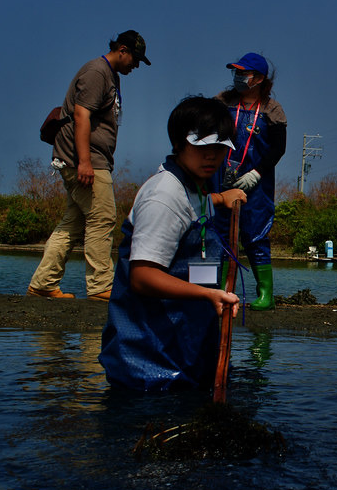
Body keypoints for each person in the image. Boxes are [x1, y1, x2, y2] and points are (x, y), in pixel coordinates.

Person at [98, 96, 247, 392]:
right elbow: (143, 277)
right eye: (202, 147)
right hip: (148, 359)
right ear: (179, 143)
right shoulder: (163, 197)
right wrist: (209, 296)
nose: (211, 157)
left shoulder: (196, 189)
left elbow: (197, 209)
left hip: (181, 349)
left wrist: (222, 198)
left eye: (219, 148)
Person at [28, 30, 150, 300]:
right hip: (86, 160)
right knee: (102, 218)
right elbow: (81, 115)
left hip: (90, 158)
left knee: (73, 222)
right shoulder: (97, 72)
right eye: (135, 59)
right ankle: (100, 286)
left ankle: (43, 284)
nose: (136, 65)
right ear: (122, 49)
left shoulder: (110, 75)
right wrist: (84, 162)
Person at [212, 52, 288, 310]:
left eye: (243, 73)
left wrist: (256, 173)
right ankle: (219, 290)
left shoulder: (272, 109)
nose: (238, 77)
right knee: (217, 232)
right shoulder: (222, 102)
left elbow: (278, 148)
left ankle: (265, 295)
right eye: (236, 72)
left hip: (257, 182)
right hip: (222, 177)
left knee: (255, 234)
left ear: (258, 79)